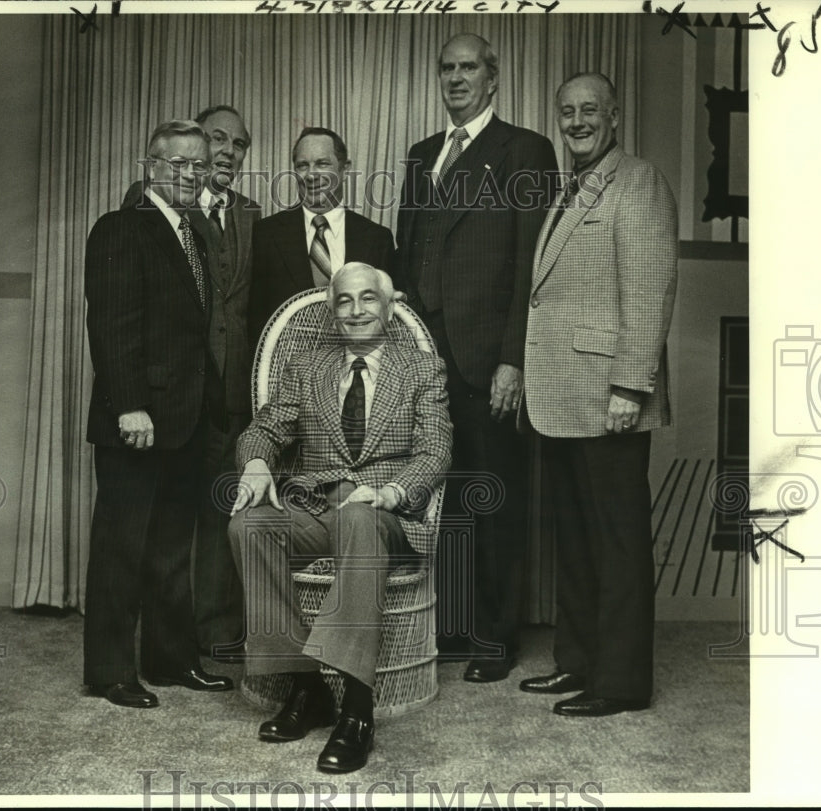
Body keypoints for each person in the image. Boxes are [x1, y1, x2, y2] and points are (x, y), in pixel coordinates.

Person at [228, 262, 452, 773]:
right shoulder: (308, 366)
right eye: (344, 301)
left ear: (389, 308)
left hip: (386, 516)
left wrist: (393, 492)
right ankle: (307, 687)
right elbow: (264, 427)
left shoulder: (420, 369)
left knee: (360, 520)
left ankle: (357, 706)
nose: (356, 310)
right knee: (249, 524)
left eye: (368, 299)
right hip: (318, 508)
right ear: (333, 313)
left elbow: (436, 449)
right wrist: (258, 461)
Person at [395, 33, 558, 682]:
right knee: (443, 499)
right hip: (427, 359)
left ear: (493, 79)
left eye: (469, 68)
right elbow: (409, 257)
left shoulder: (525, 151)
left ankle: (494, 636)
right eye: (448, 68)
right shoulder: (420, 155)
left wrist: (513, 359)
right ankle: (454, 627)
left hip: (487, 360)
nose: (457, 78)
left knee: (493, 497)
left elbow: (530, 269)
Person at [517, 73, 677, 717]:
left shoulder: (638, 181)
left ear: (615, 114)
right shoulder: (573, 187)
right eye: (567, 112)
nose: (577, 121)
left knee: (617, 544)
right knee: (578, 542)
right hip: (561, 397)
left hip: (608, 396)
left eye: (589, 110)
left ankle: (620, 682)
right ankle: (578, 664)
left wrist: (628, 387)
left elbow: (651, 289)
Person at [82, 120, 234, 708]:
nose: (192, 174)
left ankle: (171, 661)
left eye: (200, 165)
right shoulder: (121, 228)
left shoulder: (192, 233)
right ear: (151, 165)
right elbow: (113, 326)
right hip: (137, 422)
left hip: (185, 420)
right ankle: (109, 670)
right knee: (122, 545)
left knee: (173, 546)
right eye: (179, 164)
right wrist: (132, 407)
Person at [122, 106, 260, 659]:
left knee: (223, 510)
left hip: (233, 392)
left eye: (240, 144)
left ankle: (217, 632)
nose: (228, 151)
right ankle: (167, 641)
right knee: (167, 525)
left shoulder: (252, 214)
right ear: (197, 149)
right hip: (176, 395)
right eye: (218, 139)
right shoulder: (150, 208)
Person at [248, 127, 395, 343]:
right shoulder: (265, 235)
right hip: (284, 370)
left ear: (345, 170)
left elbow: (387, 320)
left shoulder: (377, 239)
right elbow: (254, 321)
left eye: (322, 164)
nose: (312, 175)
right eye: (302, 166)